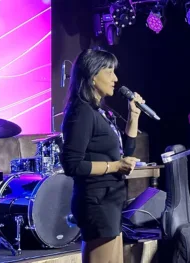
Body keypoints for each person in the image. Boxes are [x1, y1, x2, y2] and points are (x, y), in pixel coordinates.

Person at [60, 49, 144, 263]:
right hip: (96, 203)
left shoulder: (99, 112)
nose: (115, 79)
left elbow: (124, 153)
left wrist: (133, 117)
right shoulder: (82, 112)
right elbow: (72, 165)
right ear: (92, 75)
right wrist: (115, 166)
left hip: (111, 201)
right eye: (109, 72)